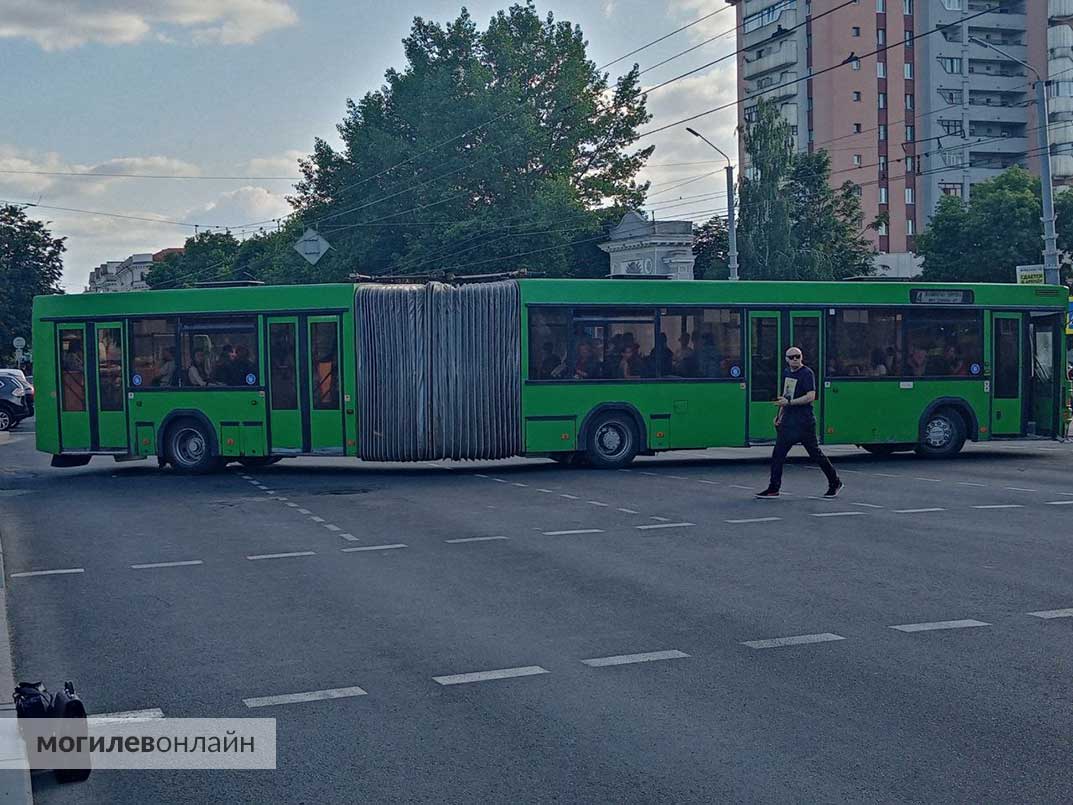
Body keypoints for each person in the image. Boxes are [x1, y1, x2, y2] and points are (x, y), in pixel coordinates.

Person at [756, 347, 843, 498]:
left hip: (805, 422)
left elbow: (811, 396)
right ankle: (773, 488)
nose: (795, 359)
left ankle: (835, 482)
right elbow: (786, 395)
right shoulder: (787, 373)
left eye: (798, 356)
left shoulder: (807, 373)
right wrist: (779, 415)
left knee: (815, 454)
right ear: (786, 359)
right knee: (778, 455)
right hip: (789, 422)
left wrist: (790, 403)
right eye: (792, 357)